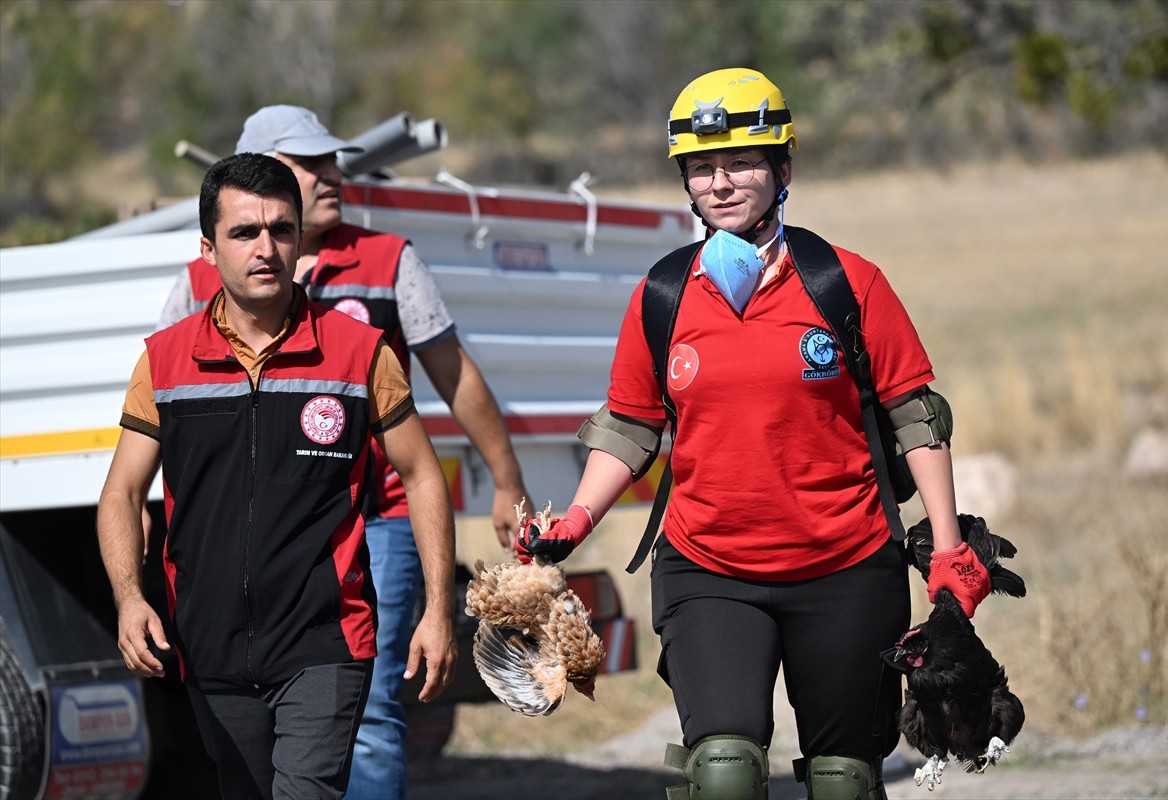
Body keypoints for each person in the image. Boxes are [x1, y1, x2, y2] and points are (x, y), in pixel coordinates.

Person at [515, 68, 991, 800]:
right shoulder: (664, 295)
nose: (721, 182)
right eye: (702, 168)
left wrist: (950, 547)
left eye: (741, 162)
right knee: (725, 774)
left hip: (847, 565)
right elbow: (631, 427)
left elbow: (915, 417)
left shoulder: (846, 283)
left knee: (844, 781)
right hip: (710, 570)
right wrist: (575, 521)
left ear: (783, 168)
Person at [158, 105, 530, 799]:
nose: (334, 174)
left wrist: (507, 479)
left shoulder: (390, 259)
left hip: (378, 518)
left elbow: (454, 374)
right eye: (310, 164)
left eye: (335, 160)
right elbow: (172, 401)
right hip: (263, 539)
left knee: (369, 715)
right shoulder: (199, 279)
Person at [97, 152, 458, 800]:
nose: (266, 248)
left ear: (299, 239)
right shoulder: (164, 361)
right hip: (209, 647)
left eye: (281, 230)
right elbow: (123, 492)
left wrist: (437, 609)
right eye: (244, 232)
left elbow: (423, 475)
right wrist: (129, 598)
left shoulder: (358, 352)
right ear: (208, 248)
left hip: (325, 642)